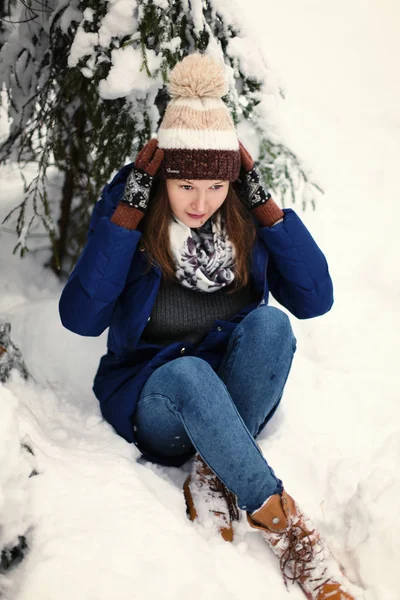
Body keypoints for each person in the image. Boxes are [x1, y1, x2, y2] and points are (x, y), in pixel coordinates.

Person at [59, 53, 355, 600]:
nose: (201, 203)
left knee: (272, 325)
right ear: (164, 176)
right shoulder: (134, 213)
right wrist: (124, 220)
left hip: (228, 400)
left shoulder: (244, 215)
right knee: (191, 371)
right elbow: (80, 318)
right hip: (158, 400)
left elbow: (315, 300)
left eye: (216, 188)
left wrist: (266, 209)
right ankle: (288, 530)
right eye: (186, 186)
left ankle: (214, 472)